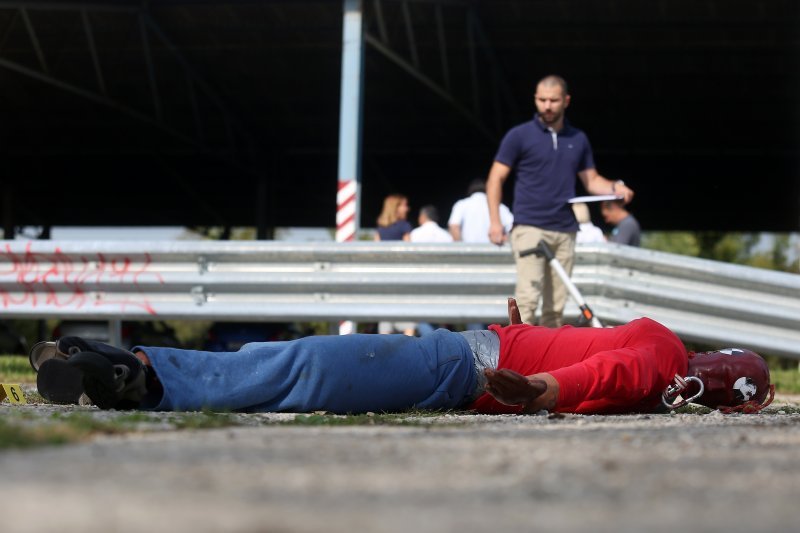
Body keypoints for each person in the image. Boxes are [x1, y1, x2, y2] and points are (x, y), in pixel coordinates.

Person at [32, 298, 773, 416]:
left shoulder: (660, 363)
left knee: (305, 363)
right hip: (464, 360)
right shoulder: (665, 347)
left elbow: (618, 373)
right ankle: (131, 369)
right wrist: (546, 370)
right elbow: (629, 367)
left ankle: (127, 369)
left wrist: (545, 383)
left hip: (468, 365)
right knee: (306, 364)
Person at [486, 74, 634, 327]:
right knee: (527, 301)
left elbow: (591, 180)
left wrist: (614, 187)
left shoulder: (578, 139)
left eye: (553, 100)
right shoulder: (519, 135)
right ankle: (518, 360)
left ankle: (547, 363)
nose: (547, 106)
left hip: (565, 229)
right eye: (542, 100)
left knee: (556, 307)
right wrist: (495, 222)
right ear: (535, 99)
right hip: (529, 226)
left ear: (566, 101)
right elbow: (495, 178)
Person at [448, 178, 513, 243]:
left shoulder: (461, 204)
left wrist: (461, 248)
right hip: (493, 250)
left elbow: (454, 226)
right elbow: (512, 227)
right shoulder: (499, 206)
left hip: (468, 251)